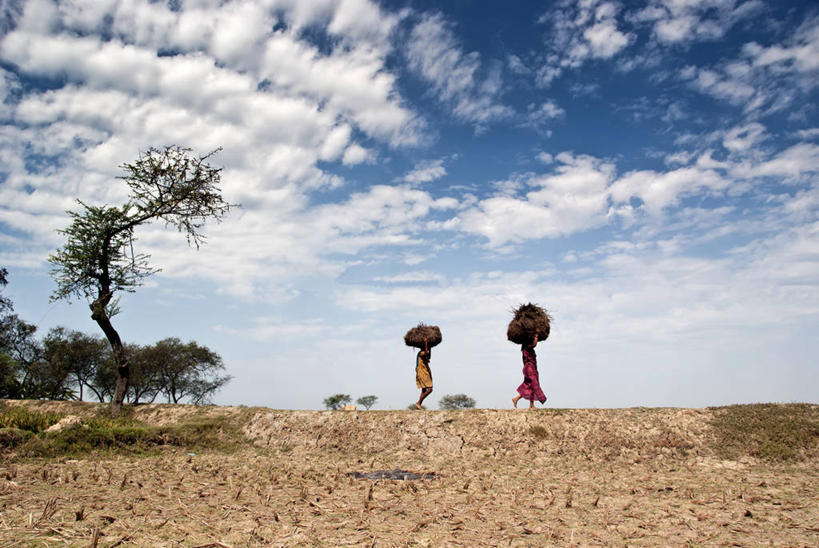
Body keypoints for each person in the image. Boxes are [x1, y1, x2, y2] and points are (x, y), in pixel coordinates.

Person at [512, 333, 546, 409]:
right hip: (529, 369)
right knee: (533, 385)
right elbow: (534, 344)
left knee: (531, 386)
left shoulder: (528, 349)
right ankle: (518, 399)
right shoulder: (527, 348)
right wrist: (536, 336)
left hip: (532, 368)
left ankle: (530, 405)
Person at [415, 338, 433, 410]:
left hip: (425, 372)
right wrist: (426, 343)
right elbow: (425, 353)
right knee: (430, 389)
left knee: (424, 390)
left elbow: (429, 356)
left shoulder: (424, 354)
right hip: (422, 372)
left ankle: (419, 405)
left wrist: (430, 348)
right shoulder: (421, 353)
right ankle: (418, 402)